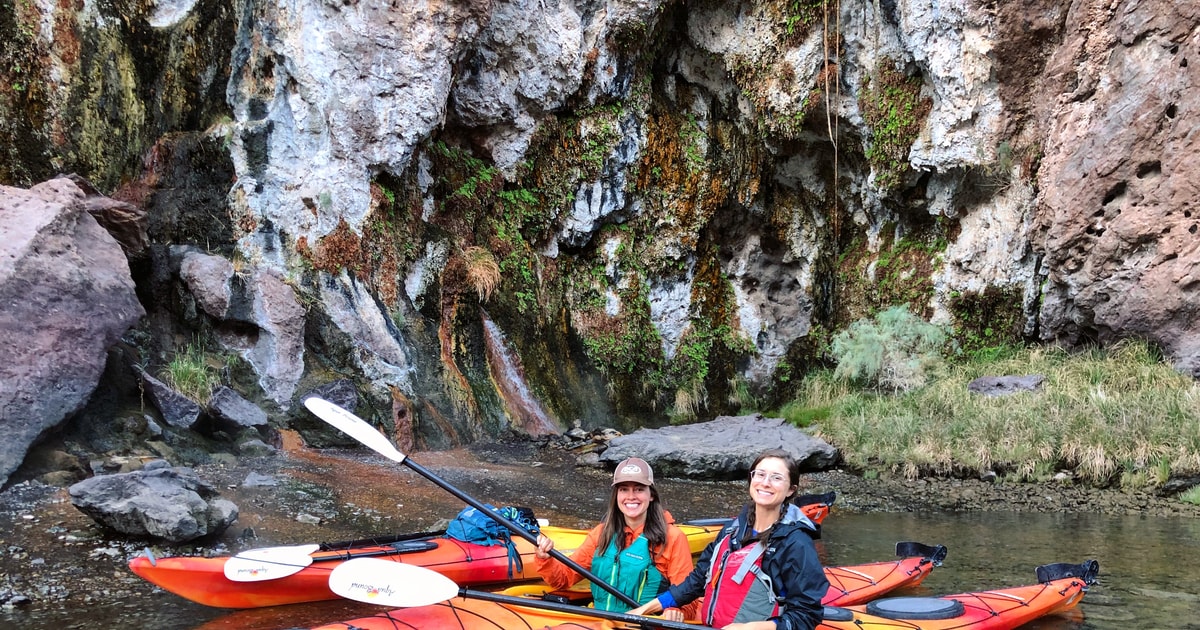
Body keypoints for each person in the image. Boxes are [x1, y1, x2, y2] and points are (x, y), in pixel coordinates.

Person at [627, 449, 828, 630]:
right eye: (760, 474)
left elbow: (806, 616)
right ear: (751, 479)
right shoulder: (733, 529)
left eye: (776, 478)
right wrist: (645, 609)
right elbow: (697, 581)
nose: (765, 482)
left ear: (790, 490)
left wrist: (752, 628)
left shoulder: (796, 543)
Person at [534, 457, 699, 618]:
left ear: (651, 495)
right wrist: (546, 559)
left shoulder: (673, 538)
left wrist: (677, 612)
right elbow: (563, 579)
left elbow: (687, 598)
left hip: (643, 625)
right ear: (617, 496)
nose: (631, 496)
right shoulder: (601, 534)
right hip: (602, 622)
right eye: (624, 489)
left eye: (639, 489)